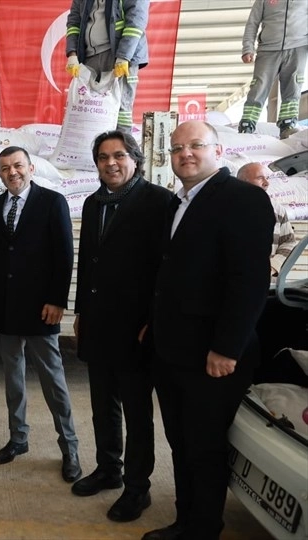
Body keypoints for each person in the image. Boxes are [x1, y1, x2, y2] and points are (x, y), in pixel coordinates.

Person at [143, 121, 274, 540]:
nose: (185, 154)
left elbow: (249, 281)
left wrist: (227, 348)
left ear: (218, 150)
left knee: (204, 445)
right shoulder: (177, 203)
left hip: (212, 356)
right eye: (177, 148)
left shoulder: (243, 199)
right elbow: (169, 274)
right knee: (181, 441)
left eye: (196, 145)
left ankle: (202, 528)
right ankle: (186, 520)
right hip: (173, 351)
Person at [72, 132, 172, 522]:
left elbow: (166, 269)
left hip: (135, 328)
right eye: (102, 157)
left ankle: (137, 488)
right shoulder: (93, 202)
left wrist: (154, 320)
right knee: (102, 405)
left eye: (118, 155)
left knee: (137, 412)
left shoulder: (159, 202)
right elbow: (89, 263)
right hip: (98, 323)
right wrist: (81, 312)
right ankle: (108, 469)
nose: (110, 163)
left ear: (135, 158)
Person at [0, 146, 81, 483]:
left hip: (42, 308)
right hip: (7, 307)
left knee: (53, 381)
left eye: (17, 166)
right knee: (13, 378)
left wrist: (57, 300)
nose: (12, 172)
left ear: (30, 168)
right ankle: (18, 438)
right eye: (4, 168)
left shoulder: (52, 202)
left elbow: (64, 254)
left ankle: (69, 448)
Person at [65, 0, 149, 134]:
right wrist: (72, 53)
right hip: (89, 56)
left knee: (121, 110)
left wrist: (124, 56)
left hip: (118, 55)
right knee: (88, 109)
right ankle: (92, 146)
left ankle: (121, 144)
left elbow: (136, 19)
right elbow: (74, 22)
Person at [238, 0, 307, 138]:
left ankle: (287, 125)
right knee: (259, 86)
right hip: (268, 49)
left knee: (293, 86)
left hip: (298, 47)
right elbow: (252, 22)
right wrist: (248, 48)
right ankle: (247, 124)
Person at [236, 162, 299, 276]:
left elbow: (289, 241)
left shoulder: (277, 209)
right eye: (260, 178)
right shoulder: (227, 207)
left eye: (267, 178)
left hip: (266, 281)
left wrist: (273, 266)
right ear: (242, 181)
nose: (267, 183)